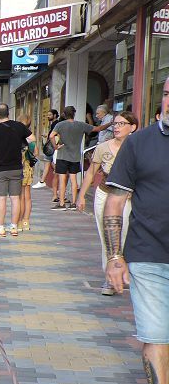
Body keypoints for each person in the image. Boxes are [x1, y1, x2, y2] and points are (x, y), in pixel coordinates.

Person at [103, 77, 169, 384]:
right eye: (166, 93)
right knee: (157, 334)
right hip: (148, 256)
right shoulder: (139, 144)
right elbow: (114, 203)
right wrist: (115, 257)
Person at [78, 111, 137, 295]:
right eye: (115, 124)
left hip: (127, 198)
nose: (117, 127)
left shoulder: (138, 148)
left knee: (124, 235)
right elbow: (90, 173)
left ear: (132, 127)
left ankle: (124, 272)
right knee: (107, 237)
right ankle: (109, 279)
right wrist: (81, 195)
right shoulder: (103, 147)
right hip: (104, 195)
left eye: (121, 124)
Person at [0, 103, 34, 238]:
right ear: (8, 114)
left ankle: (0, 228)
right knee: (15, 198)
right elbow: (32, 139)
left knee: (1, 198)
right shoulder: (19, 126)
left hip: (0, 169)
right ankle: (14, 228)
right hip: (17, 168)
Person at [49, 106, 93, 210]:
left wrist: (55, 146)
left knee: (62, 179)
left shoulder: (60, 125)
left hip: (62, 155)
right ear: (74, 113)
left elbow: (51, 136)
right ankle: (73, 203)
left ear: (64, 114)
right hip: (75, 156)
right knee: (73, 179)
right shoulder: (80, 125)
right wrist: (109, 124)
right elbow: (95, 128)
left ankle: (62, 203)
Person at [15, 112, 36, 232]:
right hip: (29, 168)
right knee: (28, 197)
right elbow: (35, 152)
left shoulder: (18, 137)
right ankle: (26, 221)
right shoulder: (31, 137)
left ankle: (17, 222)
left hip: (19, 168)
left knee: (20, 197)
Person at [32, 108, 61, 194]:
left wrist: (55, 143)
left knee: (49, 163)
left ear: (55, 115)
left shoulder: (56, 124)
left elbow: (56, 135)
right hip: (52, 146)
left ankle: (42, 181)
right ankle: (42, 181)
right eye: (47, 115)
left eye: (50, 115)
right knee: (49, 164)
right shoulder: (54, 124)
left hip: (52, 147)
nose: (48, 116)